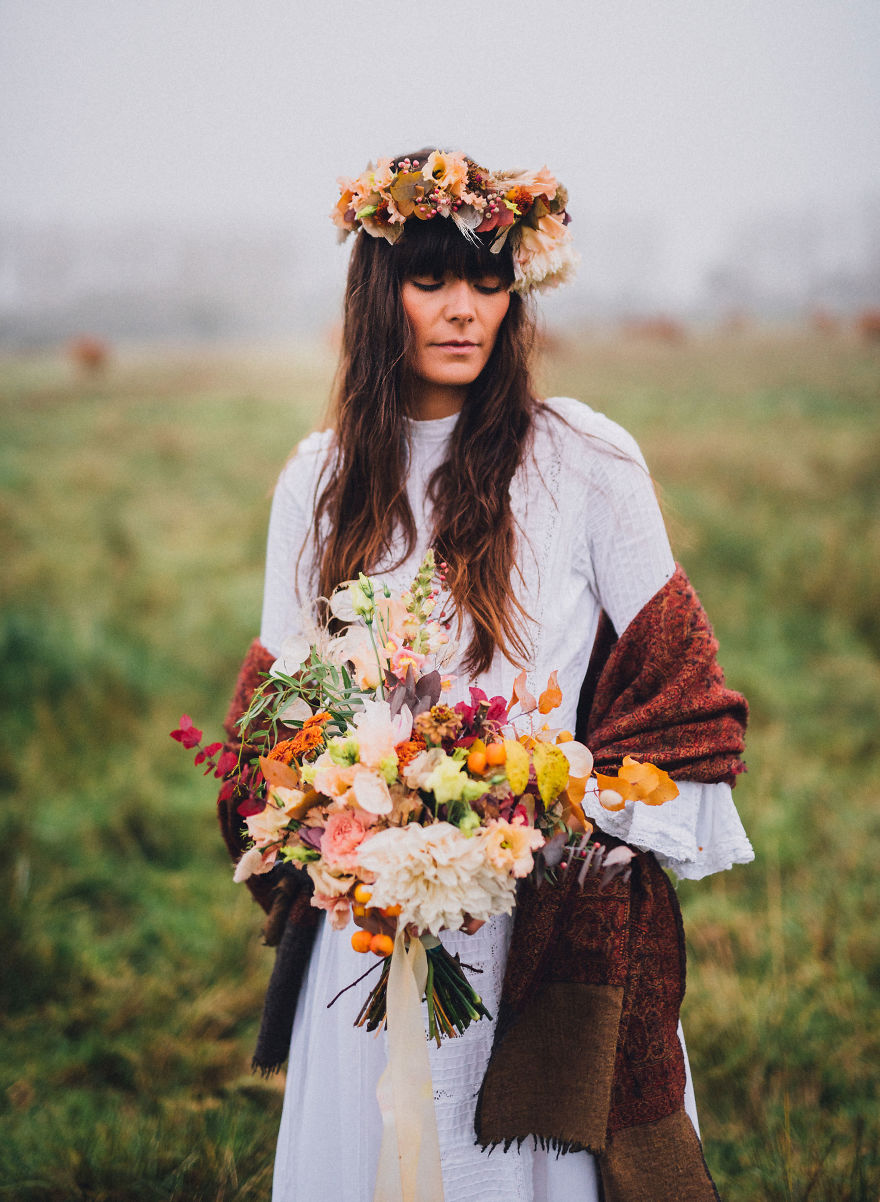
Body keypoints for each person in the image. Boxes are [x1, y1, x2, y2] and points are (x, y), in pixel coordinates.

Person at [220, 149, 753, 1202]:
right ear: (383, 294)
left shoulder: (585, 460)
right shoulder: (318, 481)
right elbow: (273, 718)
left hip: (541, 900)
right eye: (432, 280)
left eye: (489, 278)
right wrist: (345, 807)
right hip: (373, 910)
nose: (464, 308)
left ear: (517, 292)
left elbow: (680, 689)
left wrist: (552, 793)